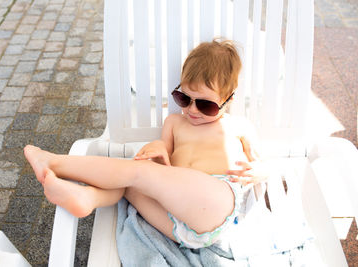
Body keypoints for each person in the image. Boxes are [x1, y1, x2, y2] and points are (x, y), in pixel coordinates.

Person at [24, 39, 268, 249]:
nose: (192, 110)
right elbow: (164, 151)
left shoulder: (239, 126)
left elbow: (264, 165)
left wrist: (260, 171)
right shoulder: (174, 122)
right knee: (127, 185)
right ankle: (88, 198)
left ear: (228, 99)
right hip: (180, 228)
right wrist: (160, 149)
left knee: (137, 171)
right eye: (183, 98)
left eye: (205, 105)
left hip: (216, 202)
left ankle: (53, 161)